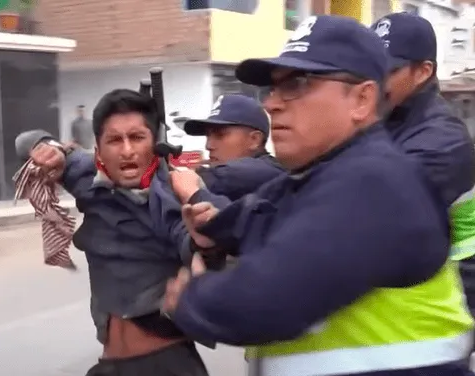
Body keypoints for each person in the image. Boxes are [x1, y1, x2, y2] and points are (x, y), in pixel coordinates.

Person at [161, 15, 474, 376]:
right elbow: (260, 211)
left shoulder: (375, 179)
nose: (273, 104)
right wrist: (214, 226)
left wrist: (191, 298)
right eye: (272, 89)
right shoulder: (324, 171)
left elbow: (266, 298)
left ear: (361, 99)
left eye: (298, 84)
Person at [15, 90, 209, 376]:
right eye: (115, 140)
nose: (127, 150)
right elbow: (25, 141)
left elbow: (192, 239)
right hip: (109, 365)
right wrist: (49, 148)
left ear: (156, 143)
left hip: (167, 364)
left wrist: (201, 245)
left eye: (137, 137)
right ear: (98, 148)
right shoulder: (87, 175)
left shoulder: (171, 195)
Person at [371, 12, 475, 322]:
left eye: (387, 70)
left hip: (455, 294)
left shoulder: (441, 139)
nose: (373, 82)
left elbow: (369, 211)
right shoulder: (384, 121)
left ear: (422, 72)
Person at [172, 93, 283, 203]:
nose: (208, 146)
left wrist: (185, 176)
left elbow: (224, 177)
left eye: (220, 135)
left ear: (254, 140)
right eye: (208, 136)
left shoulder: (269, 171)